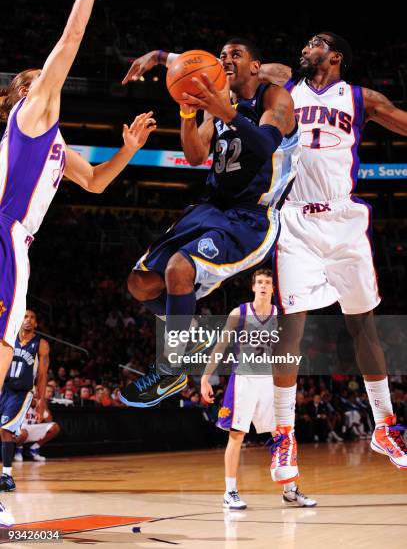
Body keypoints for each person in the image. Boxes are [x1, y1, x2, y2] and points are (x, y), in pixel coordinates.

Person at [131, 35, 407, 476]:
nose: (307, 46)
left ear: (335, 56)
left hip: (344, 217)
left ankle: (384, 424)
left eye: (316, 43)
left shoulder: (358, 97)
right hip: (294, 218)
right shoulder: (280, 81)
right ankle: (284, 434)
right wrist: (162, 56)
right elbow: (214, 68)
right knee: (289, 333)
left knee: (364, 327)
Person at [0, 0, 153, 517]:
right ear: (23, 92)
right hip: (7, 234)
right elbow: (70, 41)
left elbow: (94, 183)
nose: (49, 80)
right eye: (38, 78)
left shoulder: (54, 142)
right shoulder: (32, 113)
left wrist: (130, 150)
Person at [120, 38, 300, 407]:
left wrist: (226, 110)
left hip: (251, 216)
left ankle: (171, 368)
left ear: (255, 66)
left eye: (236, 55)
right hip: (210, 207)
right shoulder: (216, 103)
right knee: (140, 284)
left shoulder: (275, 98)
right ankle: (193, 335)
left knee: (177, 268)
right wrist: (188, 112)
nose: (225, 60)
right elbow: (194, 154)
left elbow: (265, 145)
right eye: (222, 56)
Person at [201, 268, 316, 509]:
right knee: (236, 435)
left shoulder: (280, 315)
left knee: (282, 435)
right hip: (243, 380)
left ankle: (290, 491)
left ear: (274, 289)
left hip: (269, 382)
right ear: (253, 287)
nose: (263, 286)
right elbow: (220, 347)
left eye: (268, 283)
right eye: (260, 282)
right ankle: (229, 492)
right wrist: (205, 378)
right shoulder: (239, 313)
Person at [0, 310, 50, 489]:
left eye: (32, 317)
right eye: (25, 317)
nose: (28, 320)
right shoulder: (8, 340)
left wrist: (41, 400)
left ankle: (7, 477)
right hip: (4, 390)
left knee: (6, 430)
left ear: (36, 323)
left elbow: (42, 375)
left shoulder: (41, 344)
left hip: (22, 393)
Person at [15, 394, 61, 462]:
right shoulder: (21, 402)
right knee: (23, 432)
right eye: (32, 396)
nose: (34, 398)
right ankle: (18, 449)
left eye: (36, 397)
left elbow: (49, 420)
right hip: (21, 429)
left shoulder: (40, 404)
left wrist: (43, 407)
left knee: (55, 427)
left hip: (33, 428)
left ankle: (34, 448)